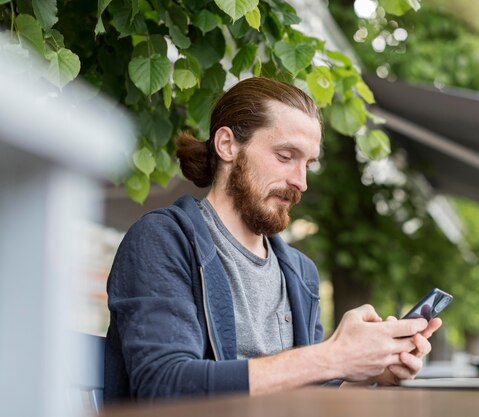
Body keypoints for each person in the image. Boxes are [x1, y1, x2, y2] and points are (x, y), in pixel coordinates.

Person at [104, 77, 442, 402]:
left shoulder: (300, 271)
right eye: (285, 156)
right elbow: (164, 388)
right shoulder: (163, 240)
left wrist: (369, 372)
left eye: (308, 164)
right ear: (227, 145)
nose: (301, 182)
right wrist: (334, 356)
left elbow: (307, 394)